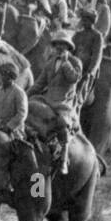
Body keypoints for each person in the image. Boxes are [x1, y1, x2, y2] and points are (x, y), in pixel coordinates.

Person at [30, 31, 83, 175]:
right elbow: (40, 84)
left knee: (62, 123)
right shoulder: (50, 63)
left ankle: (63, 159)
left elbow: (74, 78)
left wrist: (65, 63)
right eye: (57, 44)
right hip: (47, 99)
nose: (60, 47)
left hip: (64, 102)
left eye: (63, 44)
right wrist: (26, 94)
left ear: (68, 47)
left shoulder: (75, 62)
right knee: (29, 108)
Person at [0, 61, 27, 194]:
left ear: (11, 77)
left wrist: (9, 127)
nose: (1, 78)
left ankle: (9, 181)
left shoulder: (19, 93)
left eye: (4, 76)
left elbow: (22, 113)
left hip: (14, 131)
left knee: (11, 153)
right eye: (1, 75)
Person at [72, 8, 104, 105]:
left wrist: (91, 71)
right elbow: (72, 49)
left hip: (86, 69)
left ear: (92, 22)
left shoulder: (97, 36)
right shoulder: (78, 34)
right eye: (83, 20)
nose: (85, 22)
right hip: (75, 65)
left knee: (80, 91)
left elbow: (97, 55)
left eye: (87, 20)